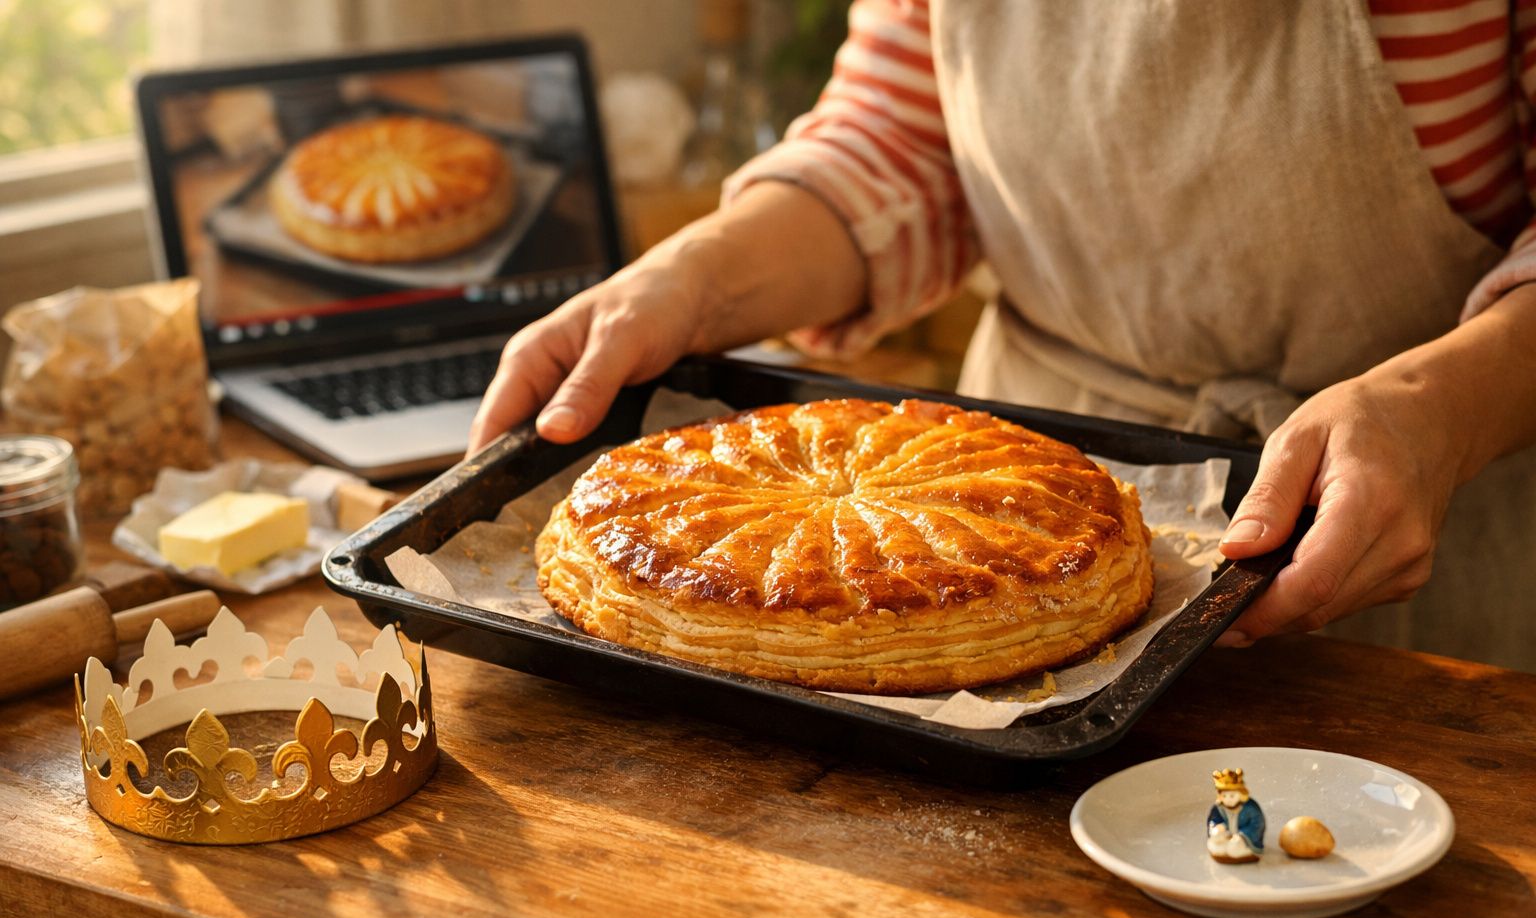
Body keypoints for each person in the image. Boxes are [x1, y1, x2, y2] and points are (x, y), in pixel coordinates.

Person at [471, 1, 1536, 669]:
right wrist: (688, 281)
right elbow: (902, 142)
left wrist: (1435, 413)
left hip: (1432, 522)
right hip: (1039, 480)